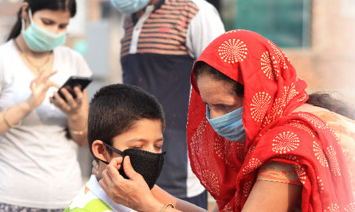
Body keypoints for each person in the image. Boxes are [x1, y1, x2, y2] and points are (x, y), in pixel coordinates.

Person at [98, 30, 355, 211]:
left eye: (224, 106)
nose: (214, 119)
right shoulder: (295, 112)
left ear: (258, 95)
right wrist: (147, 193)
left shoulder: (287, 145)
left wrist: (145, 205)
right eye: (208, 106)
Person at [0, 0, 92, 211]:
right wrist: (27, 105)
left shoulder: (74, 61)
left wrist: (74, 114)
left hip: (67, 199)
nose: (54, 32)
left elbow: (83, 139)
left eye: (62, 26)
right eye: (47, 22)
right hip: (9, 199)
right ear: (26, 11)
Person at [108, 0, 225, 208]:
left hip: (179, 171)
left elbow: (221, 88)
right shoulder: (128, 19)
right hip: (133, 169)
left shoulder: (195, 12)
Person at [65, 84, 167, 211]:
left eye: (158, 146)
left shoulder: (147, 199)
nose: (152, 154)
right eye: (138, 147)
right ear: (101, 150)